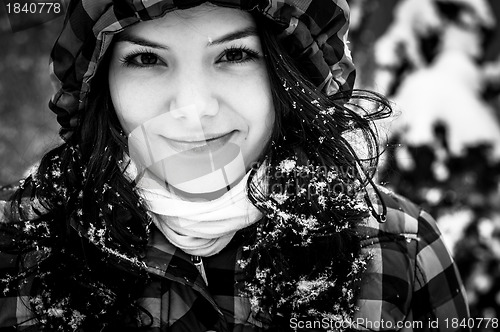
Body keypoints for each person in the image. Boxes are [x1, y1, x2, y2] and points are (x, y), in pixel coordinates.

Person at [0, 0, 470, 331]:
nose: (192, 107)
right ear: (101, 84)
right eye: (145, 58)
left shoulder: (400, 249)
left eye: (235, 54)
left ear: (288, 75)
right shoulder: (13, 245)